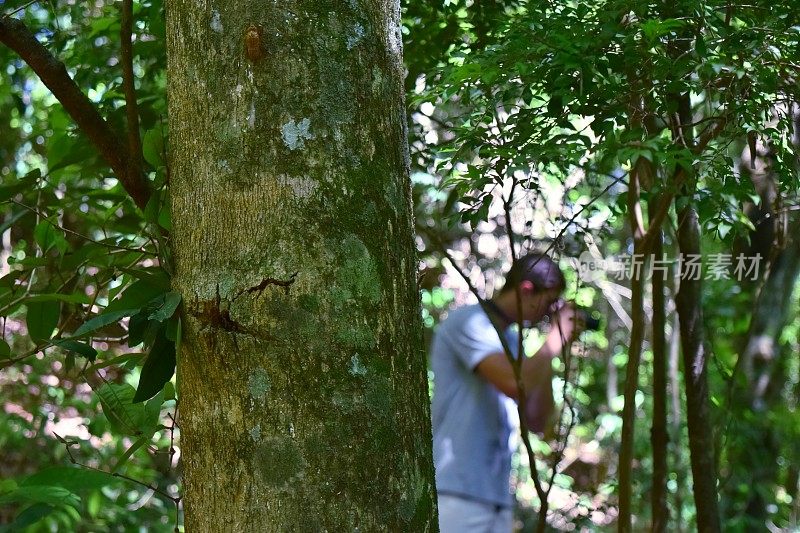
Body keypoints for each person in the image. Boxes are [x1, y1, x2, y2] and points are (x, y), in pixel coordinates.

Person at [430, 253, 583, 533]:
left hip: (495, 496)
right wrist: (555, 339)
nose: (548, 311)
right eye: (548, 302)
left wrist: (550, 349)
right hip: (455, 491)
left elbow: (537, 419)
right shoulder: (468, 322)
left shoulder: (513, 342)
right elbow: (514, 383)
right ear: (526, 290)